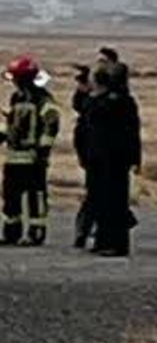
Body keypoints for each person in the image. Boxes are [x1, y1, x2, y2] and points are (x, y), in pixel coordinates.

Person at [0, 55, 60, 246]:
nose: (14, 81)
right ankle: (11, 233)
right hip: (13, 158)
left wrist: (43, 151)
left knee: (35, 196)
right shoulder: (17, 98)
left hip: (33, 158)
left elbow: (51, 124)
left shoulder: (42, 99)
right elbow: (10, 124)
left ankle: (36, 231)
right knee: (10, 198)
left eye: (16, 77)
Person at [86, 59, 142, 257]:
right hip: (101, 157)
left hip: (115, 158)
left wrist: (135, 158)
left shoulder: (120, 101)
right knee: (101, 200)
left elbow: (131, 132)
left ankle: (117, 244)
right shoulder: (108, 100)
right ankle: (103, 240)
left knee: (115, 201)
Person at [72, 62, 100, 249]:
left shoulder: (100, 102)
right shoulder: (89, 104)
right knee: (94, 194)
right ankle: (85, 230)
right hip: (92, 155)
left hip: (98, 154)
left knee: (97, 195)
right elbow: (78, 106)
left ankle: (87, 230)